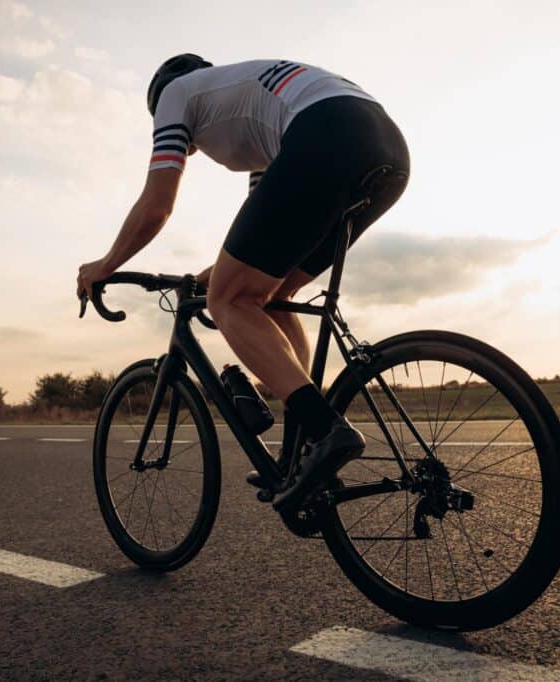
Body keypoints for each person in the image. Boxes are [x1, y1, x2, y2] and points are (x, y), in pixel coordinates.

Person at [77, 55, 410, 511]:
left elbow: (157, 205)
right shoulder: (251, 108)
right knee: (270, 297)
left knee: (228, 301)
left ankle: (326, 430)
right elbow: (266, 236)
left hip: (326, 132)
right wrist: (217, 271)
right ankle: (299, 448)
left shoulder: (176, 93)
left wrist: (106, 264)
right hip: (385, 147)